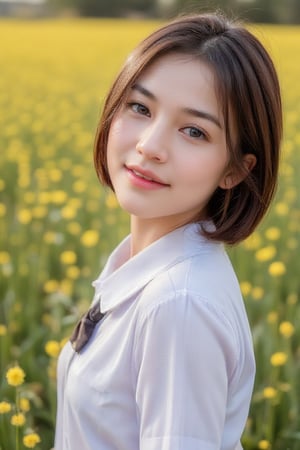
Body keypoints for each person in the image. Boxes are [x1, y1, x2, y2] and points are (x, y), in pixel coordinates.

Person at [54, 11, 282, 450]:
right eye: (139, 108)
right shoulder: (146, 271)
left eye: (194, 131)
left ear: (235, 169)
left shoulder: (178, 305)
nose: (151, 146)